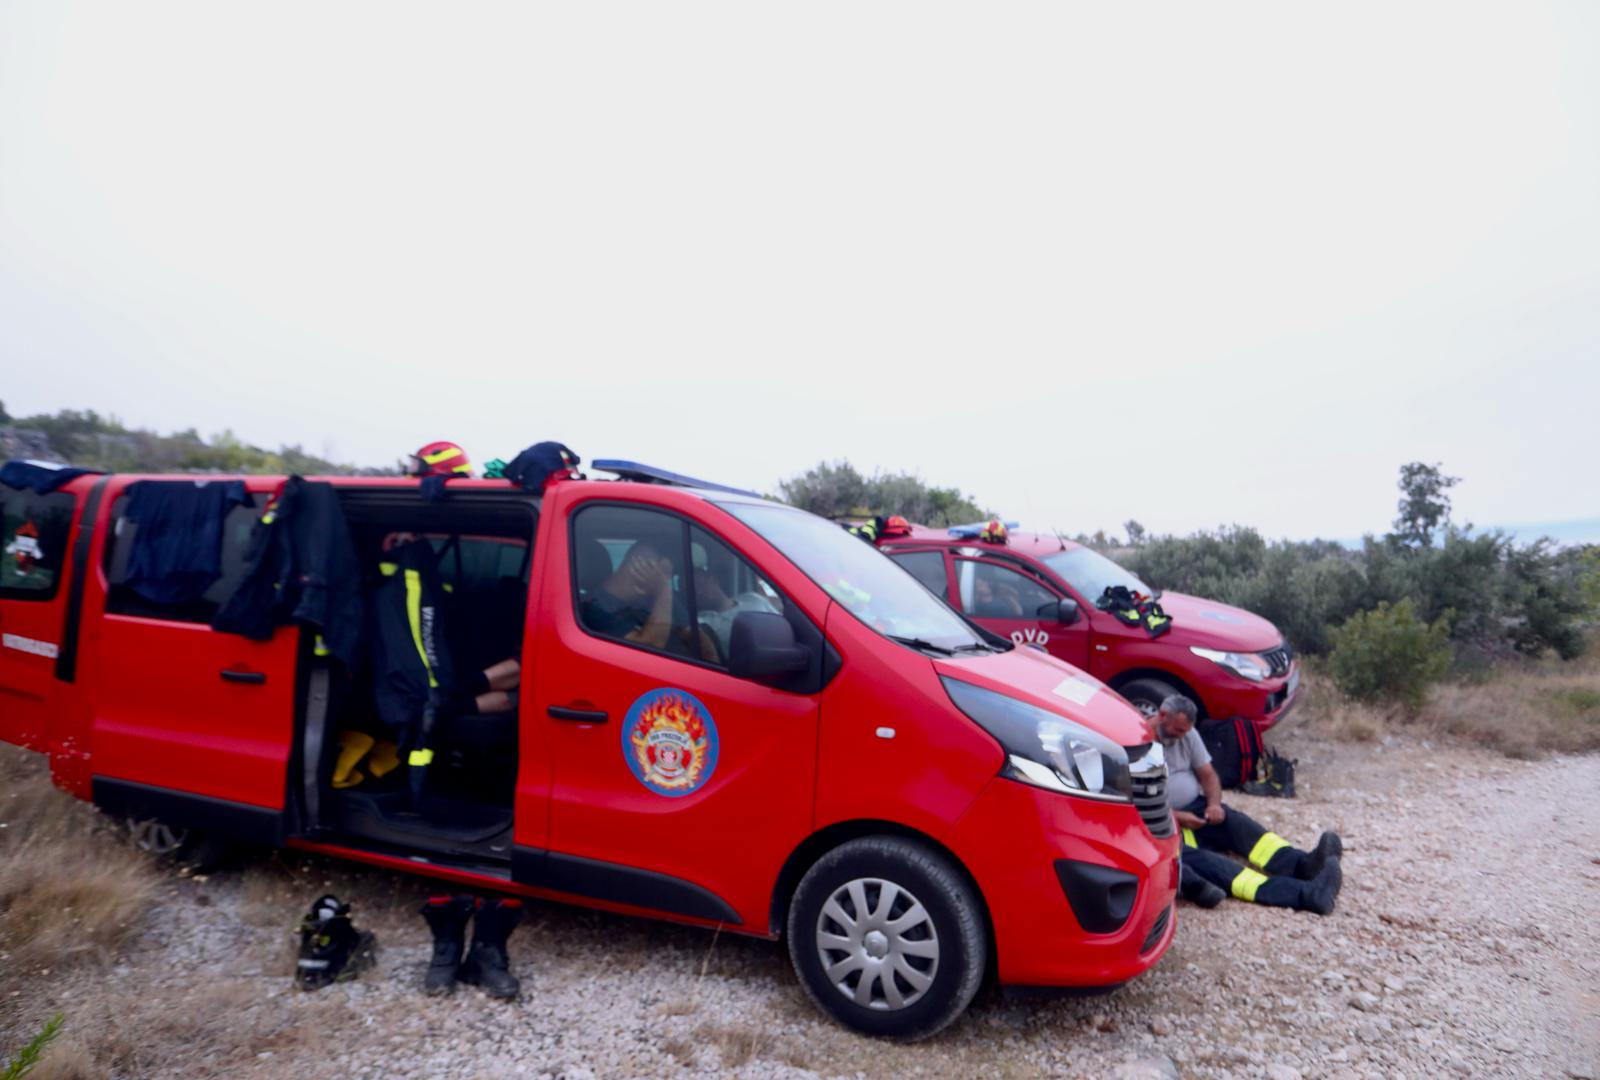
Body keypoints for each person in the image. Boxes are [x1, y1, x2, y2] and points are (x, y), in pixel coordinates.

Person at [1156, 695, 1344, 914]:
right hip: (1163, 822)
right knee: (1214, 866)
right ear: (1162, 717)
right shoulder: (1136, 744)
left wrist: (1214, 804)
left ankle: (1303, 864)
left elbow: (1208, 775)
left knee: (1238, 824)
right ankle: (1306, 895)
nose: (1182, 736)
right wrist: (1176, 817)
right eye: (1178, 731)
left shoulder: (1187, 734)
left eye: (1185, 731)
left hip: (1195, 809)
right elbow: (1136, 808)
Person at [582, 541, 716, 659]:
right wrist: (662, 590)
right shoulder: (595, 607)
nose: (665, 581)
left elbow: (702, 643)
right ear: (641, 566)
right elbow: (651, 646)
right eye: (663, 574)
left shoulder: (651, 597)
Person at [693, 568, 778, 657]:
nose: (699, 592)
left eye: (701, 585)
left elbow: (781, 623)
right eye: (694, 590)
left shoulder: (752, 598)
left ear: (714, 580)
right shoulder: (701, 622)